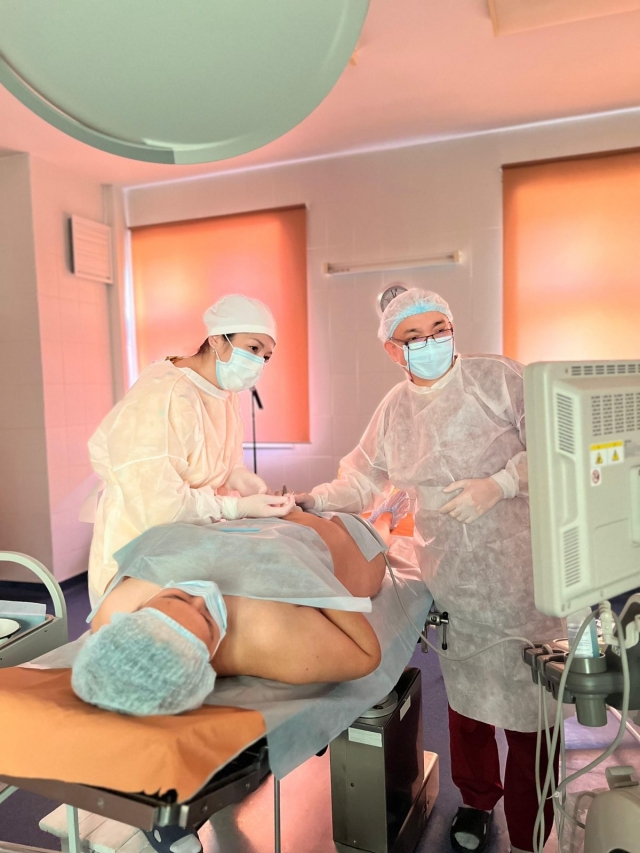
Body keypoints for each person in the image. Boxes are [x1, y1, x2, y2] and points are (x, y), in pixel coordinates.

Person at [293, 288, 564, 853]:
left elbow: (553, 442)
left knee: (532, 714)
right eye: (414, 337)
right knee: (467, 708)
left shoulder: (497, 379)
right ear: (394, 350)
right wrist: (314, 499)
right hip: (454, 577)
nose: (431, 342)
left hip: (522, 573)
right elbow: (363, 478)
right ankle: (477, 803)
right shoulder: (396, 409)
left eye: (439, 329)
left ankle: (531, 830)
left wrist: (502, 484)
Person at [87, 294, 293, 605]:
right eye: (253, 348)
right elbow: (158, 504)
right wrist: (235, 508)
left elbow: (213, 459)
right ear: (217, 339)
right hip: (140, 554)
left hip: (186, 544)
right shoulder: (165, 395)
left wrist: (240, 478)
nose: (259, 362)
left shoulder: (223, 393)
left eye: (266, 356)